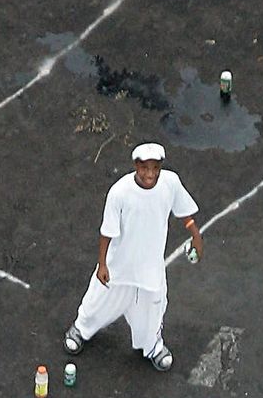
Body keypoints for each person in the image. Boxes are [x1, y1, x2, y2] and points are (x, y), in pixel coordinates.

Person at [64, 142, 203, 372]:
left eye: (155, 168)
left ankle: (153, 347)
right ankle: (81, 328)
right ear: (135, 167)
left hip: (151, 269)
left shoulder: (170, 183)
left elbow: (183, 211)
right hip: (120, 266)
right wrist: (102, 264)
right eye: (145, 168)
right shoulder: (119, 192)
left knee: (153, 310)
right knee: (98, 301)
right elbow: (106, 232)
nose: (150, 174)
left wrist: (195, 234)